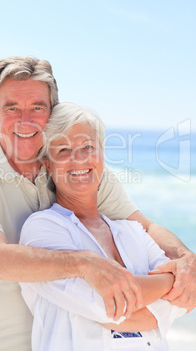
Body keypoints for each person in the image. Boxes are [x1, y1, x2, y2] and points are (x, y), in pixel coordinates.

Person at [0, 56, 195, 351]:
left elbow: (145, 228)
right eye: (11, 108)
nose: (25, 120)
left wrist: (184, 260)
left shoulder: (77, 172)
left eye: (37, 108)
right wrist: (84, 263)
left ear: (51, 112)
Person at [19, 102, 187, 351]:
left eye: (88, 147)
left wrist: (171, 289)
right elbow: (103, 305)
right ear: (47, 163)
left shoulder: (133, 231)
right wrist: (168, 283)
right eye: (64, 149)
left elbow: (183, 299)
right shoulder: (43, 229)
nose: (79, 159)